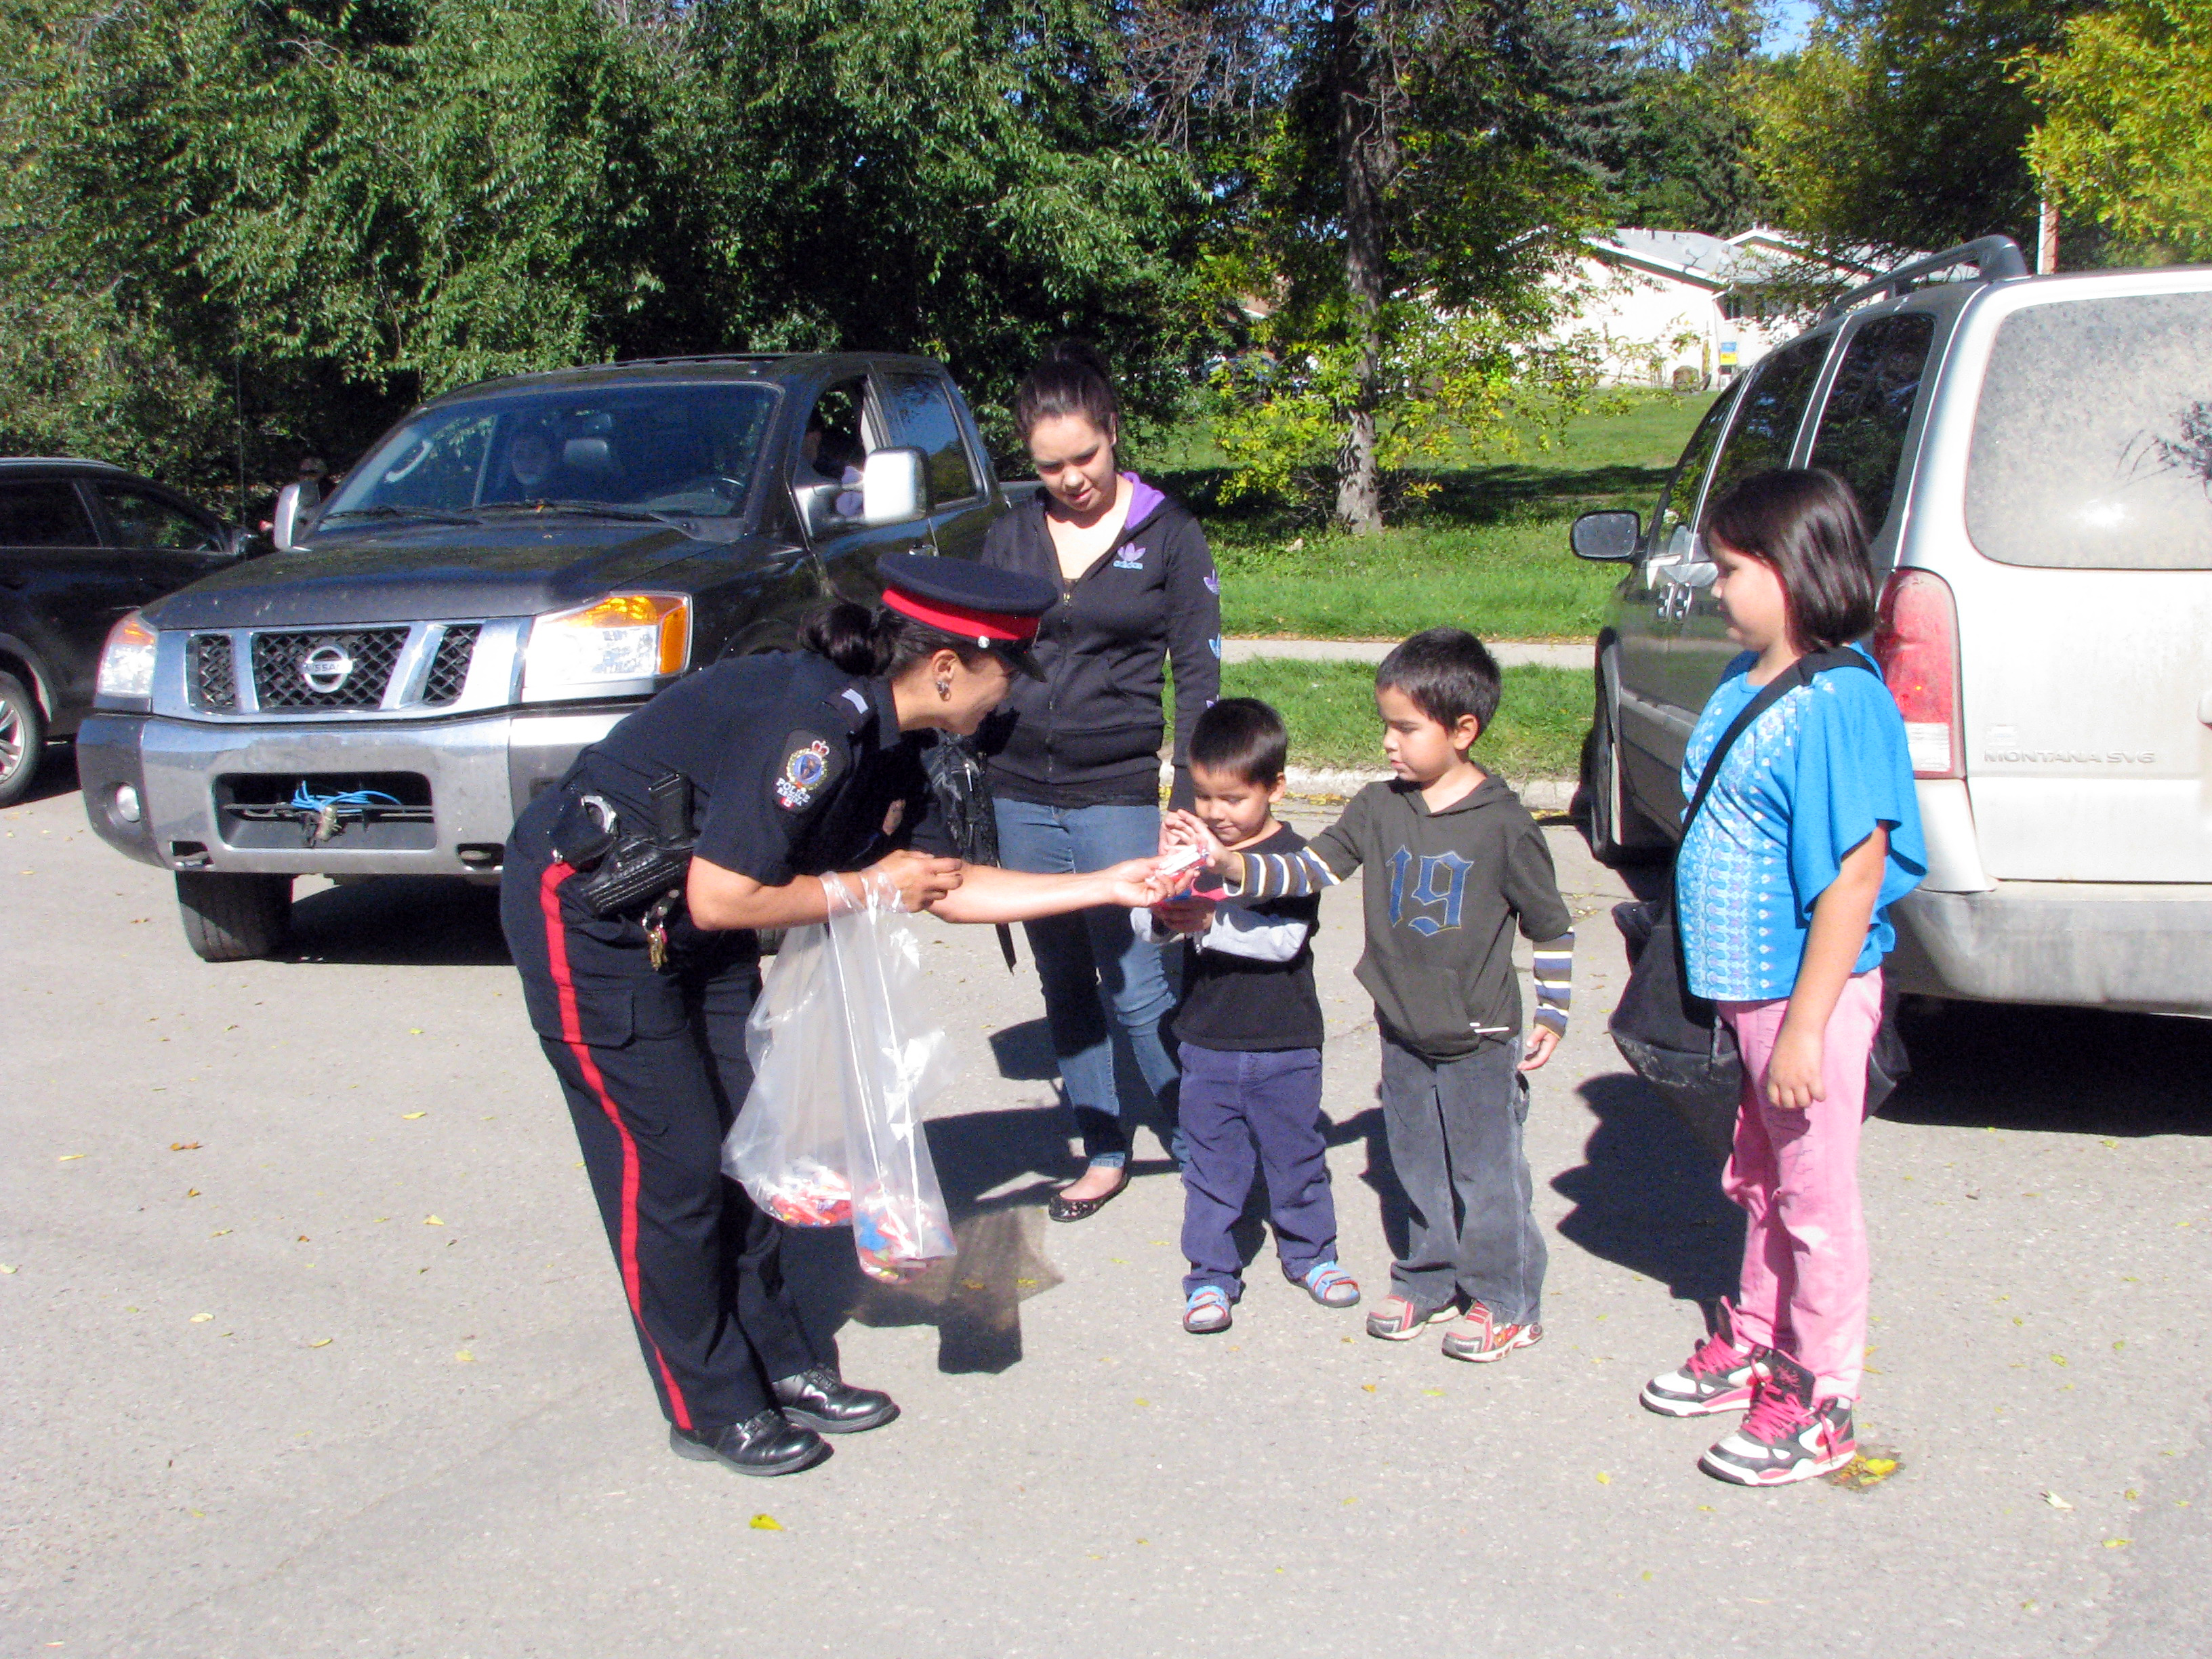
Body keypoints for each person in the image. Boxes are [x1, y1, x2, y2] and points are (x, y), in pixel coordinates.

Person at [500, 554, 1177, 1479]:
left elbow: (941, 886)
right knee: (677, 1171)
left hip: (690, 923)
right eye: (1008, 671)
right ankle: (708, 1403)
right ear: (946, 667)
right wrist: (866, 885)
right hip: (596, 920)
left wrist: (1107, 883)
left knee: (750, 1148)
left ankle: (782, 1362)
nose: (1012, 693)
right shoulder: (816, 723)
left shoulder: (905, 741)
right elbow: (724, 896)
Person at [1166, 628, 1576, 1364]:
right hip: (1402, 1026)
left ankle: (1506, 1299)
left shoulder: (1506, 824)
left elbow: (1551, 927)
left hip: (1480, 1032)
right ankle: (1426, 1278)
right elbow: (1308, 870)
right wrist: (1227, 862)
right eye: (1385, 724)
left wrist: (1553, 1011)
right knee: (1414, 1161)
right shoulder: (1378, 808)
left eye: (1405, 728)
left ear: (1462, 731)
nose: (1388, 742)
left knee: (1486, 1173)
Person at [1635, 468, 1925, 1487]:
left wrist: (1805, 1031)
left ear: (1795, 570)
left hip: (1807, 999)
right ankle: (1758, 1337)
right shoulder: (1742, 678)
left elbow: (1855, 877)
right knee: (1759, 1178)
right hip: (1746, 993)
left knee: (1815, 1197)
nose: (1714, 587)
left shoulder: (1842, 702)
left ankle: (1822, 1394)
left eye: (1731, 568)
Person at [979, 340, 1223, 1222]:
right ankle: (1102, 1148)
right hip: (1017, 785)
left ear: (1114, 432)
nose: (1073, 478)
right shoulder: (1008, 533)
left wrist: (1189, 811)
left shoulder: (1170, 532)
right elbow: (973, 653)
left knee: (1139, 978)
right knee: (1065, 979)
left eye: (1085, 456)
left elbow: (1200, 679)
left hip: (1118, 784)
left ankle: (1207, 1147)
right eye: (1051, 466)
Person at [1133, 699, 1359, 1334]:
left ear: (1275, 788)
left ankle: (1312, 1254)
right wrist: (1161, 911)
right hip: (1206, 1043)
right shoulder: (1192, 848)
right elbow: (1148, 930)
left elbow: (1282, 943)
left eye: (1232, 799)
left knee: (1296, 1157)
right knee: (1211, 1167)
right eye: (1204, 796)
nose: (1215, 814)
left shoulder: (1296, 859)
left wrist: (1208, 922)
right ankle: (1209, 1276)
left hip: (1286, 1043)